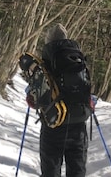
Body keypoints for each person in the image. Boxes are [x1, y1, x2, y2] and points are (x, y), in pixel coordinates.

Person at [27, 23, 92, 177]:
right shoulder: (76, 59)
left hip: (53, 125)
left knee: (51, 171)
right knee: (77, 171)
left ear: (48, 40)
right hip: (78, 125)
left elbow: (34, 101)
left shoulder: (45, 63)